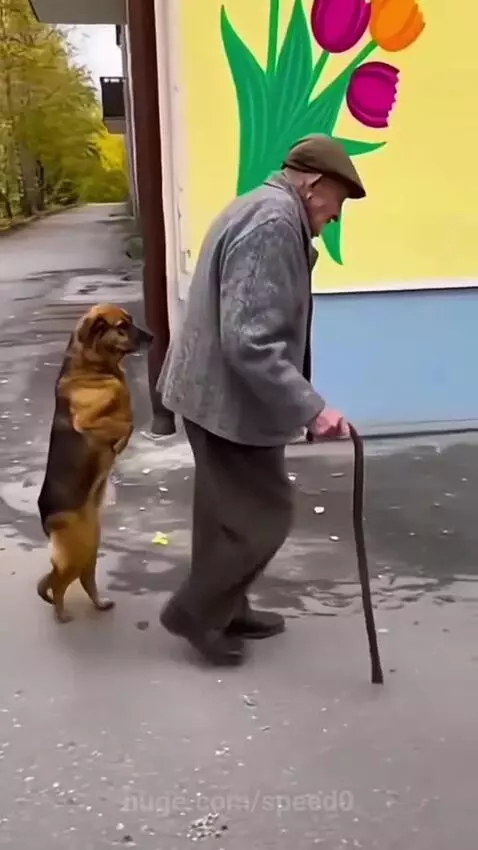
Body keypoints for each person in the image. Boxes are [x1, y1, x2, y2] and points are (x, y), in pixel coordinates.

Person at [156, 134, 366, 666]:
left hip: (219, 393)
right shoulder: (273, 223)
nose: (335, 217)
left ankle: (225, 606)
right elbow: (250, 338)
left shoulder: (263, 209)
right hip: (227, 399)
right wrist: (312, 407)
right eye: (337, 202)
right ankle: (197, 611)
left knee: (226, 511)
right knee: (263, 515)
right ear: (313, 185)